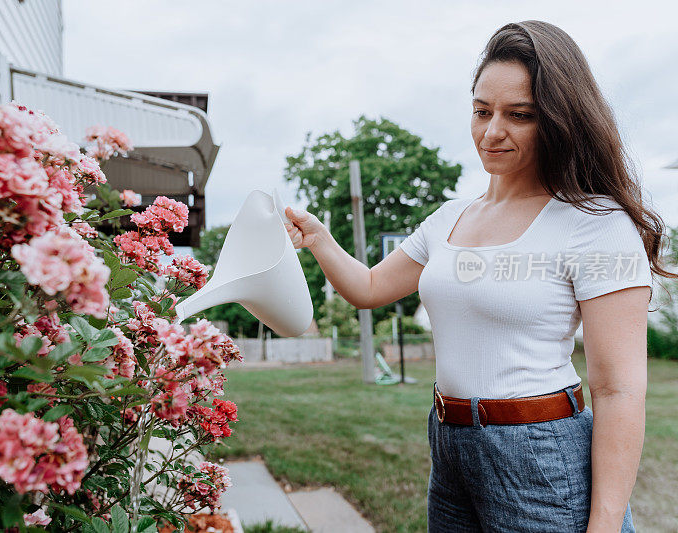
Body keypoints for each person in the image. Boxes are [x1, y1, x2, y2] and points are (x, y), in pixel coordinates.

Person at [282, 20, 675, 533]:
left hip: (540, 452)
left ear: (559, 121)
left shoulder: (596, 224)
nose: (492, 132)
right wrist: (319, 239)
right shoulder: (450, 217)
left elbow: (618, 387)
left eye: (520, 115)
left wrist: (602, 523)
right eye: (481, 110)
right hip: (450, 446)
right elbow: (369, 289)